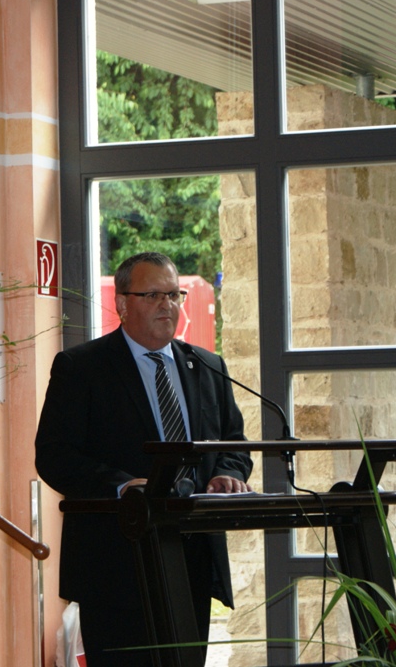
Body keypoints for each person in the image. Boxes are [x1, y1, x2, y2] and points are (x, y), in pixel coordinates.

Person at [35, 251, 253, 667]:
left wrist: (226, 472)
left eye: (174, 295)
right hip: (116, 562)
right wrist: (122, 485)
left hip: (190, 558)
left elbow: (233, 443)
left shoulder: (207, 366)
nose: (166, 305)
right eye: (153, 295)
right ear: (122, 303)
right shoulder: (82, 368)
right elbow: (54, 455)